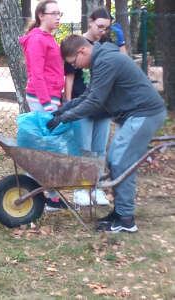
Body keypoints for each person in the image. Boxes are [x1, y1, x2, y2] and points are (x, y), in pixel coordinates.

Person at [46, 34, 166, 233]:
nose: (75, 67)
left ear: (82, 51)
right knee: (117, 160)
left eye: (74, 62)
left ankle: (126, 220)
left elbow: (95, 102)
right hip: (133, 114)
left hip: (144, 113)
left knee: (121, 161)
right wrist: (62, 111)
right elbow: (88, 95)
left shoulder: (106, 61)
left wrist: (65, 118)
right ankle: (120, 214)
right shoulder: (101, 59)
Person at [64, 8, 128, 207]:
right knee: (84, 149)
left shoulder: (107, 45)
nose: (102, 31)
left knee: (99, 150)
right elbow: (70, 77)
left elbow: (124, 63)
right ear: (90, 22)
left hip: (103, 107)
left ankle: (96, 187)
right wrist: (67, 102)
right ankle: (80, 189)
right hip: (82, 104)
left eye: (106, 28)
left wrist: (121, 43)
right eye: (100, 26)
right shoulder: (76, 44)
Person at [19, 0, 67, 212]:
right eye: (53, 13)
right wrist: (48, 104)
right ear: (41, 15)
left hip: (51, 97)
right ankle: (33, 195)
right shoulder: (37, 39)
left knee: (49, 148)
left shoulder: (47, 37)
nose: (57, 17)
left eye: (60, 13)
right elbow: (36, 75)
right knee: (43, 149)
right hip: (42, 100)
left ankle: (53, 198)